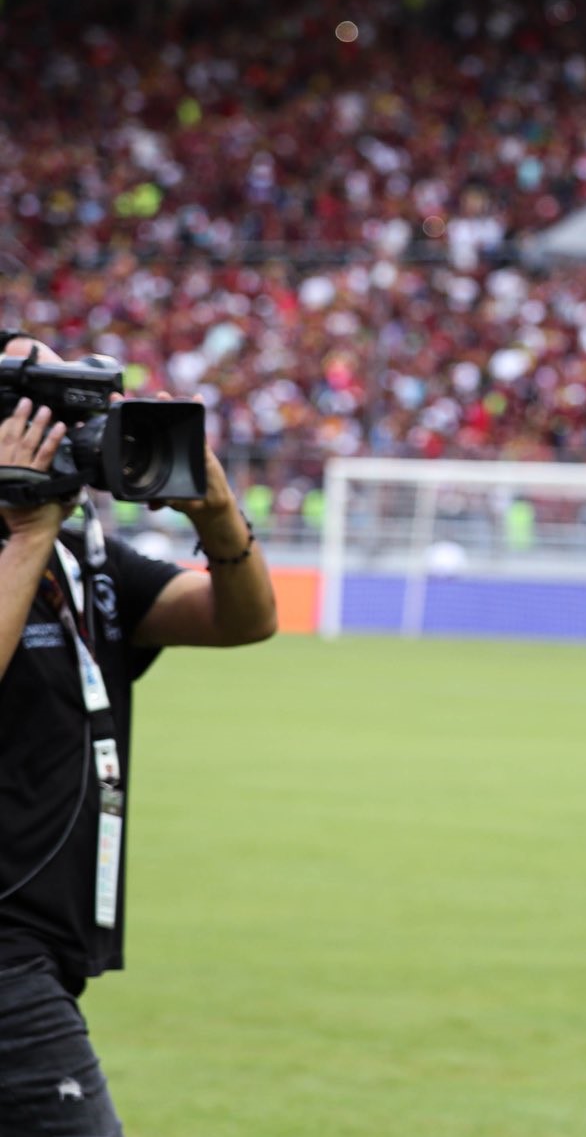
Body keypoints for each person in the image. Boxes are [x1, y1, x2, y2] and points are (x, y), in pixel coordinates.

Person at [0, 333, 278, 1135]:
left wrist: (216, 510)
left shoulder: (84, 557)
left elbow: (243, 619)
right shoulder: (35, 544)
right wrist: (24, 534)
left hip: (43, 948)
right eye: (35, 407)